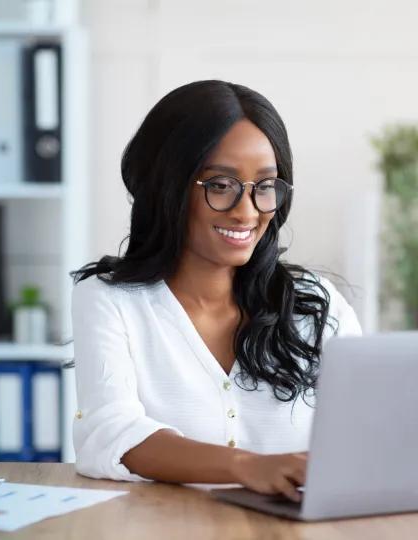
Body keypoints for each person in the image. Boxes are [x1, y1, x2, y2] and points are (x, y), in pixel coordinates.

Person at [70, 80, 361, 502]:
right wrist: (247, 466)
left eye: (265, 186)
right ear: (167, 186)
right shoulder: (110, 301)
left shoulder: (317, 305)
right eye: (221, 185)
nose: (247, 211)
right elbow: (109, 433)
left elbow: (369, 432)